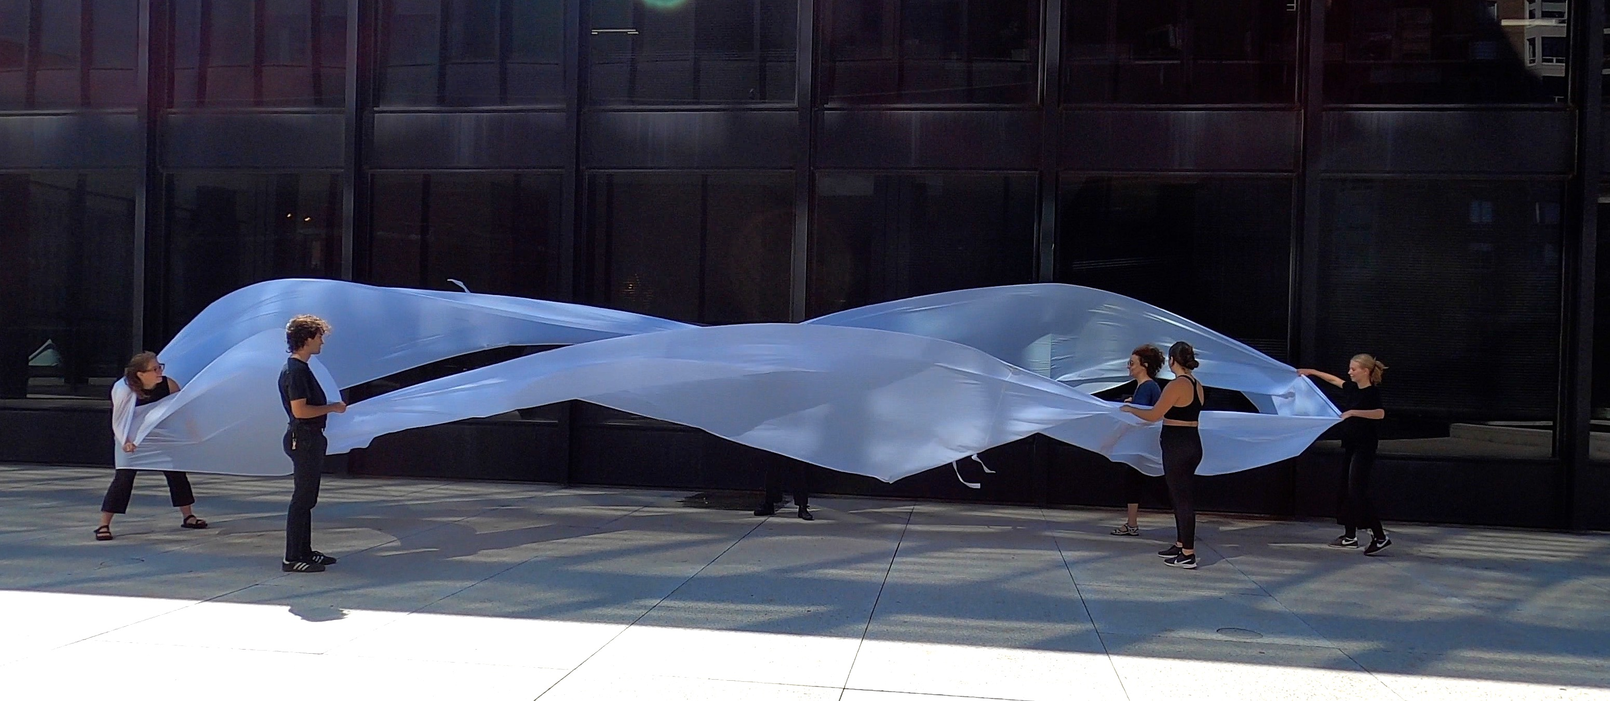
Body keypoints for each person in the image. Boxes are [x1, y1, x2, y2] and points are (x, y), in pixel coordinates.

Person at [95, 352, 208, 541]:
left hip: (160, 434)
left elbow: (182, 411)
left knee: (176, 472)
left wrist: (193, 433)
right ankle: (103, 524)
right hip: (132, 437)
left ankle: (188, 516)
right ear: (140, 374)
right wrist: (125, 441)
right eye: (154, 369)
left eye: (159, 367)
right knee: (123, 478)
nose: (159, 372)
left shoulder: (168, 384)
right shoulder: (124, 389)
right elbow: (119, 420)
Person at [1120, 341, 1205, 569]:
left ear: (1172, 360)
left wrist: (1130, 409)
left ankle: (1188, 553)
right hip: (1192, 443)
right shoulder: (1197, 385)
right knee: (1179, 497)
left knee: (1182, 500)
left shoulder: (1177, 384)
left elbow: (1154, 415)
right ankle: (1180, 544)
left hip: (1178, 446)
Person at [1299, 355, 1391, 555]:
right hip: (1351, 445)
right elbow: (1333, 380)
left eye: (1353, 369)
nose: (1349, 372)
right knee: (1346, 490)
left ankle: (1380, 536)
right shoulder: (1352, 389)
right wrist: (1311, 372)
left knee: (1357, 490)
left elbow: (1380, 413)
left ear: (1365, 371)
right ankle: (1350, 536)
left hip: (1364, 447)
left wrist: (1353, 412)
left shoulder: (1371, 392)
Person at [279, 314, 346, 573]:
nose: (321, 342)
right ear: (306, 339)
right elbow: (300, 410)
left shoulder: (300, 368)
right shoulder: (296, 371)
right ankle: (292, 557)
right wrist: (332, 408)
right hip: (304, 438)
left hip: (309, 437)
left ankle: (304, 551)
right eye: (319, 337)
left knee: (307, 498)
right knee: (302, 499)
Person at [1111, 344, 1167, 537]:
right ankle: (1132, 523)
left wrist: (1130, 408)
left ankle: (1133, 523)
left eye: (1132, 363)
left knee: (1144, 483)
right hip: (1144, 445)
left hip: (1143, 445)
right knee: (1135, 481)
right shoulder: (1146, 387)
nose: (1129, 366)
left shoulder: (1147, 386)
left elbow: (1143, 416)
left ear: (1144, 365)